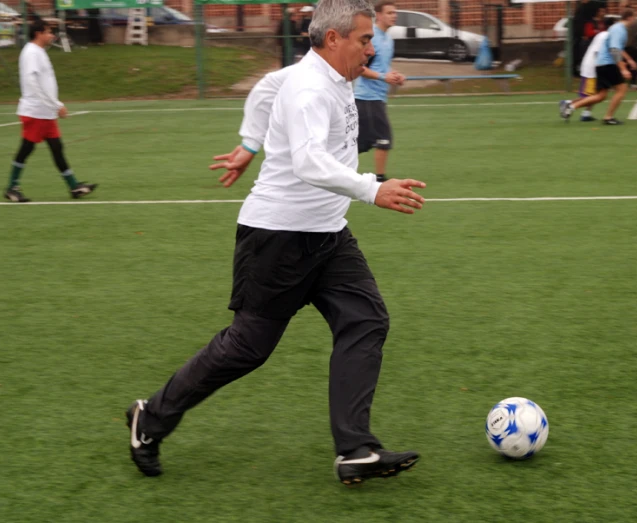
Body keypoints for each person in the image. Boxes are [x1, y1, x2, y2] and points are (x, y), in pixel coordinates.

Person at [126, 0, 425, 485]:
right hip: (279, 237)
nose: (371, 50)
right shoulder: (309, 87)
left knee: (366, 320)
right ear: (332, 39)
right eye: (364, 40)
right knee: (248, 347)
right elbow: (307, 162)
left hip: (327, 234)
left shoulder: (328, 75)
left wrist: (249, 148)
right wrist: (373, 188)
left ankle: (355, 449)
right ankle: (151, 416)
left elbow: (268, 87)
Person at [3, 20, 96, 203]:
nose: (52, 35)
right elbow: (32, 83)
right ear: (38, 33)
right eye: (48, 32)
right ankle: (12, 187)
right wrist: (55, 105)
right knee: (26, 149)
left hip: (44, 112)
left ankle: (73, 186)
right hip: (36, 112)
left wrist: (53, 105)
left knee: (56, 148)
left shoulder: (38, 52)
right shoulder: (31, 52)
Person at [560, 9, 637, 126]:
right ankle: (608, 117)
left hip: (602, 64)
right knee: (621, 89)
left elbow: (617, 49)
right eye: (635, 17)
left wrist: (629, 60)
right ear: (630, 17)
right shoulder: (619, 29)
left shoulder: (616, 28)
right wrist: (623, 68)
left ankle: (570, 106)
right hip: (607, 64)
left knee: (601, 96)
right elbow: (615, 50)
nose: (636, 20)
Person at [354, 0, 404, 182]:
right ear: (379, 15)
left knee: (360, 144)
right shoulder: (371, 37)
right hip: (367, 98)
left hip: (378, 98)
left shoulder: (388, 39)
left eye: (395, 12)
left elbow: (382, 67)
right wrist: (384, 77)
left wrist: (395, 76)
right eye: (390, 13)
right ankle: (380, 179)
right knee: (384, 138)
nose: (394, 15)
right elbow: (359, 68)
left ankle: (330, 170)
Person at [573, 17, 617, 122]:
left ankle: (586, 113)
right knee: (592, 95)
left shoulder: (604, 35)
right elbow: (598, 52)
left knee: (595, 94)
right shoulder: (605, 36)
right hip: (592, 68)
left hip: (595, 67)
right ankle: (569, 104)